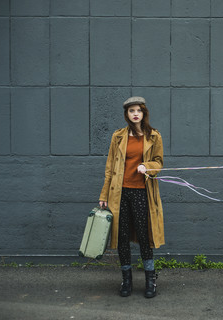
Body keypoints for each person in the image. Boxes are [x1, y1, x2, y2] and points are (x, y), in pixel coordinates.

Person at [98, 96, 164, 298]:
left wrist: (148, 167)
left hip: (142, 192)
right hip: (119, 193)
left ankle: (150, 279)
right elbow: (109, 168)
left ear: (144, 113)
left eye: (139, 110)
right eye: (131, 111)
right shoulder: (118, 136)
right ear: (127, 114)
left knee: (145, 237)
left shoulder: (153, 136)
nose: (135, 113)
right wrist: (104, 194)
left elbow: (159, 162)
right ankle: (126, 280)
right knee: (122, 237)